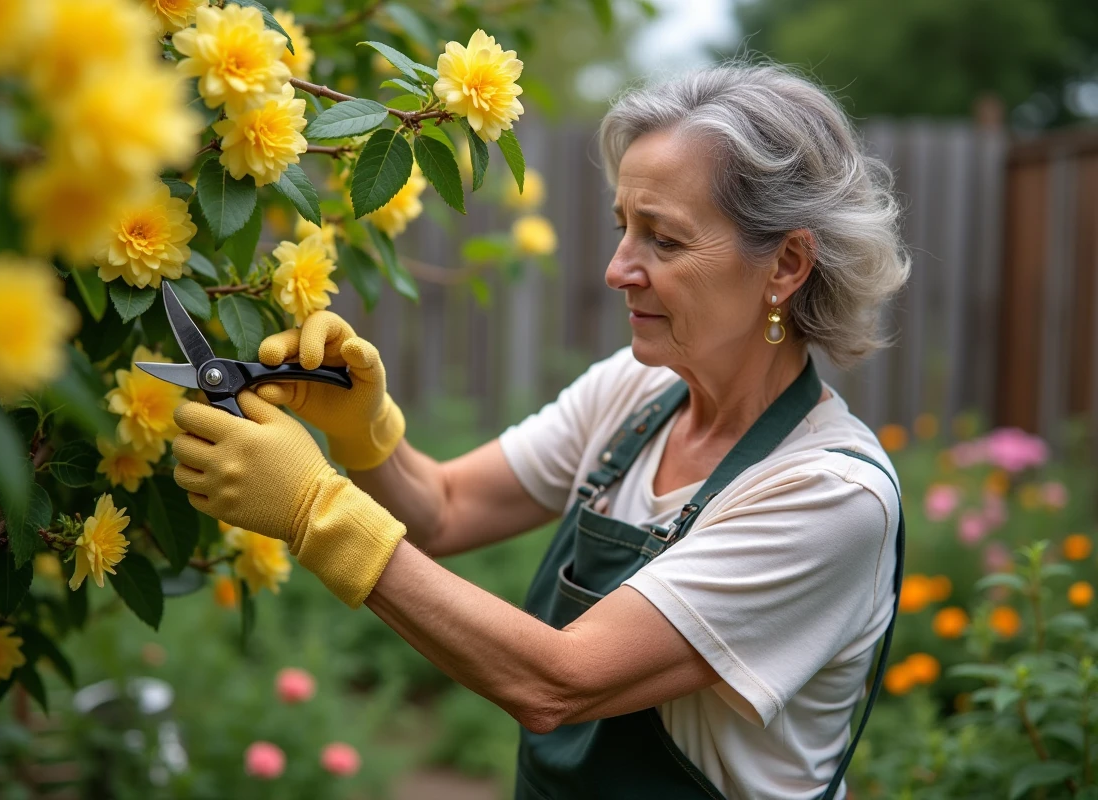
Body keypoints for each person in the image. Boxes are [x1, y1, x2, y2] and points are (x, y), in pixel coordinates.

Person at [170, 62, 911, 799]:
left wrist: (314, 511)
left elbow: (559, 681)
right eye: (626, 229)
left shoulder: (831, 495)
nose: (619, 268)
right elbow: (445, 507)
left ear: (785, 264)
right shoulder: (636, 391)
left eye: (665, 240)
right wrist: (366, 435)